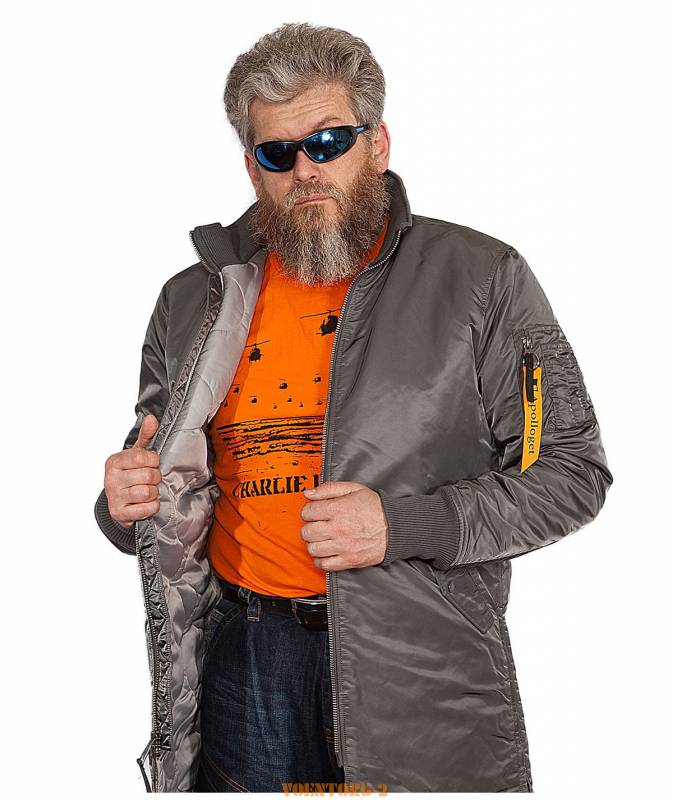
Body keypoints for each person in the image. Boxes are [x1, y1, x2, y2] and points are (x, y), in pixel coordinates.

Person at [94, 22, 613, 793]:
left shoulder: (481, 278)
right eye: (278, 153)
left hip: (415, 658)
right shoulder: (193, 299)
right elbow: (154, 475)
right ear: (252, 168)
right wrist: (123, 505)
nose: (306, 169)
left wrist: (402, 525)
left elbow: (571, 473)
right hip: (247, 661)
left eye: (329, 141)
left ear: (378, 144)